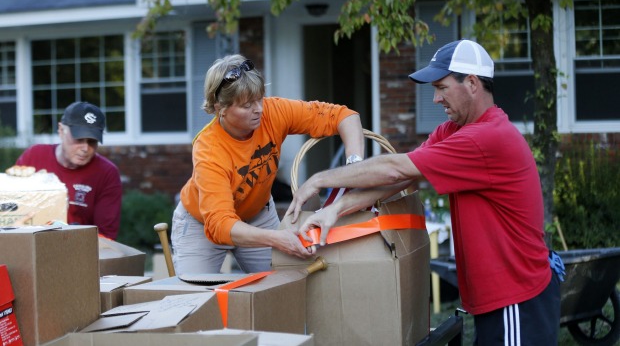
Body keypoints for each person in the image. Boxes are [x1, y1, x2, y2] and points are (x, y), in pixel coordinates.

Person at [286, 40, 563, 345]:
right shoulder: (453, 131)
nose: (435, 99)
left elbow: (395, 168)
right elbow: (405, 176)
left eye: (442, 87)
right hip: (501, 299)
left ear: (471, 83)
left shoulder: (487, 138)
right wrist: (337, 208)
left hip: (517, 299)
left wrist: (320, 180)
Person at [171, 54, 365, 275]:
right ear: (220, 108)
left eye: (260, 99)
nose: (259, 109)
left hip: (258, 215)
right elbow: (220, 224)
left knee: (280, 287)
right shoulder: (209, 149)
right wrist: (277, 239)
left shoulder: (273, 112)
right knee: (195, 297)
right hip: (202, 224)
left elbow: (343, 116)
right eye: (246, 105)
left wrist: (354, 168)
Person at [16, 101, 122, 239]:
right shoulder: (34, 156)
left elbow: (106, 237)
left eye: (92, 141)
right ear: (61, 130)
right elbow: (11, 212)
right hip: (28, 245)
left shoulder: (107, 173)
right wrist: (13, 182)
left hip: (77, 252)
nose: (85, 148)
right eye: (79, 139)